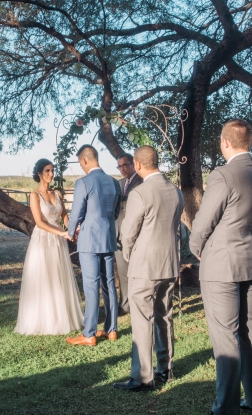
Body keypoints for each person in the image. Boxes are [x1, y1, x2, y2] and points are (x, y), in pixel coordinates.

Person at [189, 119, 252, 415]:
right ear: (248, 141)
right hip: (251, 260)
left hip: (221, 264)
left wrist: (198, 250)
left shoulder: (223, 175)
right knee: (250, 330)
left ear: (225, 142)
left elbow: (202, 223)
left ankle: (224, 408)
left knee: (225, 335)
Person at [114, 146, 184, 391]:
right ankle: (165, 369)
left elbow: (128, 233)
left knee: (142, 319)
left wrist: (129, 257)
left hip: (144, 264)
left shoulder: (140, 193)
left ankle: (143, 376)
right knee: (164, 316)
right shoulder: (176, 191)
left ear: (138, 164)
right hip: (169, 262)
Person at [14, 159, 84, 335]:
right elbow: (39, 222)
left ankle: (63, 317)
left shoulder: (58, 193)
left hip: (59, 240)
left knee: (59, 275)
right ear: (39, 174)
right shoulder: (34, 195)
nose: (51, 174)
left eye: (52, 171)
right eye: (47, 171)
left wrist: (72, 228)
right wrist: (60, 233)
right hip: (43, 240)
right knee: (45, 277)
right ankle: (45, 320)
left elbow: (64, 217)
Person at [65, 145, 121, 346]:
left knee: (91, 285)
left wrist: (71, 232)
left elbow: (76, 213)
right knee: (108, 284)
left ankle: (89, 333)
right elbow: (116, 212)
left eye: (80, 163)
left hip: (89, 239)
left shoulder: (84, 182)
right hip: (108, 237)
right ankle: (111, 329)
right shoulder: (114, 183)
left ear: (85, 160)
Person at [114, 152, 143, 315]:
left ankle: (138, 303)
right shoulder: (118, 184)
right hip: (119, 235)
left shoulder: (142, 182)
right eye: (119, 166)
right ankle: (125, 304)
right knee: (123, 272)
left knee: (137, 272)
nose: (122, 169)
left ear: (134, 164)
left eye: (125, 165)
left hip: (136, 234)